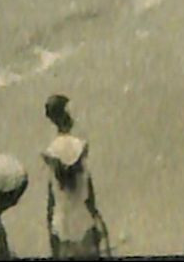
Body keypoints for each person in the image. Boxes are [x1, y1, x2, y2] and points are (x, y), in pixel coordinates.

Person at [42, 94, 108, 259]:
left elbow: (52, 198)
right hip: (83, 221)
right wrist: (97, 218)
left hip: (62, 223)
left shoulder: (52, 150)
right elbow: (89, 193)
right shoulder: (79, 145)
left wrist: (50, 232)